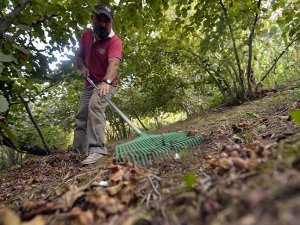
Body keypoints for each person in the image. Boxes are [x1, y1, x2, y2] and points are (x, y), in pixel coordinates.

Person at [72, 3, 122, 165]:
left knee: (95, 104)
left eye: (106, 21)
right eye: (98, 19)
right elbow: (78, 57)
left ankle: (98, 149)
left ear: (111, 22)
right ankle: (78, 152)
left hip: (109, 82)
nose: (102, 24)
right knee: (81, 115)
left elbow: (113, 64)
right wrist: (83, 67)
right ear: (92, 19)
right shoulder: (86, 35)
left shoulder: (115, 41)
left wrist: (106, 81)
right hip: (90, 83)